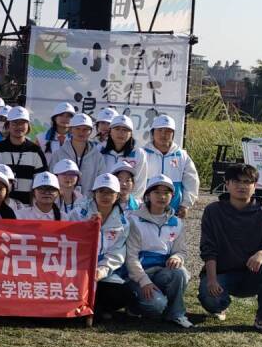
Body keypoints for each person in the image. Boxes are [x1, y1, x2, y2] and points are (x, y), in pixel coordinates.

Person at [197, 163, 262, 336]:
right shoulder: (213, 211)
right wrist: (211, 279)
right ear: (227, 184)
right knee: (211, 298)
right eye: (237, 181)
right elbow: (208, 248)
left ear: (255, 186)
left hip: (252, 274)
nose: (242, 186)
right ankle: (220, 306)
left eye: (247, 182)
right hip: (222, 274)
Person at [123, 174, 194, 328]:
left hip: (162, 273)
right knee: (156, 306)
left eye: (166, 193)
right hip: (139, 276)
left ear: (172, 196)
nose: (162, 197)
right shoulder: (134, 220)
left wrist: (177, 257)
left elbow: (181, 251)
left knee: (180, 272)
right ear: (148, 195)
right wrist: (144, 281)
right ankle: (134, 305)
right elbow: (131, 257)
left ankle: (176, 313)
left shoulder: (176, 222)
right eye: (156, 192)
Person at [73, 173, 132, 316]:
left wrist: (102, 270)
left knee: (123, 294)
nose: (106, 196)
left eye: (110, 192)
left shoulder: (123, 223)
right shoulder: (79, 214)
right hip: (78, 268)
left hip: (102, 273)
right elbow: (70, 241)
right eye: (101, 191)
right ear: (94, 194)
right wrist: (87, 226)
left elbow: (117, 253)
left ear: (117, 196)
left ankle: (96, 308)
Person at [0, 106, 47, 205]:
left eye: (23, 123)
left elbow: (40, 182)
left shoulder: (35, 150)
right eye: (15, 123)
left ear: (28, 125)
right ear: (8, 125)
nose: (19, 126)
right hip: (1, 206)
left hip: (28, 207)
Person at [142, 115, 200, 217]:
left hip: (173, 210)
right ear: (152, 132)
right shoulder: (143, 154)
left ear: (173, 134)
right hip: (145, 209)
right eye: (160, 130)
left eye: (168, 131)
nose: (163, 134)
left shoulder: (181, 155)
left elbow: (191, 181)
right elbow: (136, 181)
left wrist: (185, 205)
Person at [82, 114, 149, 194]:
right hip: (102, 197)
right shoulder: (98, 150)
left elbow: (140, 182)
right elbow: (91, 177)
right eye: (117, 129)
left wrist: (131, 200)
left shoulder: (139, 154)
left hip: (126, 199)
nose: (121, 133)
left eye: (125, 130)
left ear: (131, 133)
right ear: (110, 131)